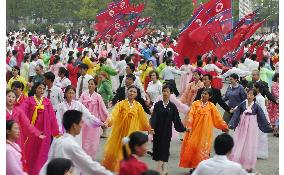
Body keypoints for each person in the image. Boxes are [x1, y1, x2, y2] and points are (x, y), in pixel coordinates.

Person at [39, 110, 113, 175]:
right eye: (81, 122)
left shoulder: (57, 140)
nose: (82, 126)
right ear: (74, 125)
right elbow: (90, 165)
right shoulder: (70, 144)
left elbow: (48, 162)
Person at [102, 85, 152, 172]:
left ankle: (128, 169)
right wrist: (107, 121)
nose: (132, 93)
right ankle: (120, 168)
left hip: (132, 132)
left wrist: (149, 128)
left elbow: (144, 119)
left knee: (130, 150)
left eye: (134, 92)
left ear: (137, 94)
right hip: (120, 131)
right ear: (127, 92)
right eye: (130, 91)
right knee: (119, 150)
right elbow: (113, 114)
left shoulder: (138, 105)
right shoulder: (121, 104)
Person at [179, 89, 229, 173]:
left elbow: (217, 118)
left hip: (205, 132)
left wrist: (224, 126)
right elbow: (191, 115)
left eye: (206, 94)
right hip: (194, 130)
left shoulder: (211, 106)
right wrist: (189, 126)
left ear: (210, 96)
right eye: (203, 93)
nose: (203, 95)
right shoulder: (195, 103)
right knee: (193, 148)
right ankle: (194, 167)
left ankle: (201, 168)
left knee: (202, 149)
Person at [228, 89, 273, 172]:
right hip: (242, 125)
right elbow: (236, 114)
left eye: (251, 95)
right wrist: (231, 123)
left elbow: (262, 116)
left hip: (252, 126)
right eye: (248, 94)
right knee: (239, 140)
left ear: (254, 96)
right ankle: (237, 160)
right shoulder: (242, 104)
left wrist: (268, 126)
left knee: (249, 142)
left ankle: (248, 163)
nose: (249, 96)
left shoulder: (256, 106)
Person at [20, 82, 60, 175]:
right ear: (35, 89)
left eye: (43, 89)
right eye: (39, 88)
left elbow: (52, 118)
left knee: (42, 153)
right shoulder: (29, 101)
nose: (41, 90)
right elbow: (21, 112)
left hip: (45, 131)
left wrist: (55, 131)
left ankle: (39, 172)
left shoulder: (47, 102)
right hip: (32, 132)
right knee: (30, 152)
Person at [150, 85, 187, 174]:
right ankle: (165, 168)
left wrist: (184, 129)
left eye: (167, 91)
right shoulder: (158, 104)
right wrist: (152, 128)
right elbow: (154, 117)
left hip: (166, 132)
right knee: (158, 150)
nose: (165, 93)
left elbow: (176, 120)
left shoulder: (172, 106)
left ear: (171, 93)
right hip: (157, 131)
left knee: (164, 149)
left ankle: (158, 169)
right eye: (164, 91)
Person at [79, 79, 109, 158]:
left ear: (95, 86)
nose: (90, 85)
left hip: (94, 121)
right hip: (84, 121)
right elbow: (78, 105)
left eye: (92, 84)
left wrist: (107, 119)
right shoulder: (83, 94)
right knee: (83, 139)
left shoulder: (98, 96)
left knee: (93, 140)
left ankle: (90, 157)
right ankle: (83, 156)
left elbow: (103, 109)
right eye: (89, 84)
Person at [254, 82, 270, 159]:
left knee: (260, 136)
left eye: (254, 87)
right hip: (257, 117)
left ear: (257, 89)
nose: (253, 88)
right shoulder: (258, 97)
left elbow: (263, 110)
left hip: (259, 119)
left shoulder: (260, 98)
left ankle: (259, 152)